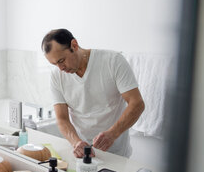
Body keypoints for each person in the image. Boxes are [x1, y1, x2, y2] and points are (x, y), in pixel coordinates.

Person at [42, 29, 145, 158]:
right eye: (54, 64)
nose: (60, 68)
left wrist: (112, 134)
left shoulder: (113, 61)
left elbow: (137, 103)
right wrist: (76, 142)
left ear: (74, 45)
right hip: (81, 153)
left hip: (116, 153)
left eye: (61, 60)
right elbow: (62, 119)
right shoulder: (57, 76)